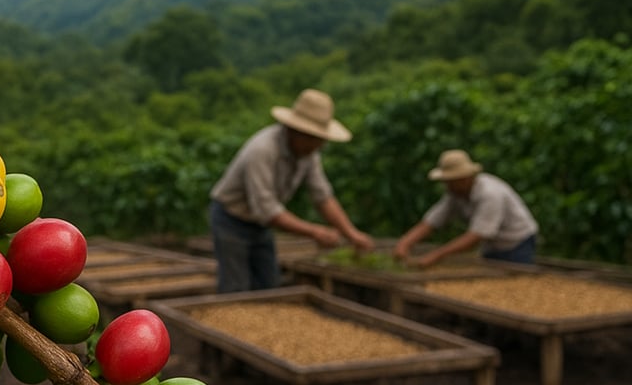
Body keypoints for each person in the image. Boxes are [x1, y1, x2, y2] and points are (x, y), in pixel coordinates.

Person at [208, 89, 374, 292]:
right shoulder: (262, 150)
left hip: (259, 225)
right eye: (316, 138)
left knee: (269, 284)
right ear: (297, 132)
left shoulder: (308, 154)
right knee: (236, 286)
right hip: (231, 220)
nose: (320, 144)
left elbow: (322, 196)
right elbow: (267, 210)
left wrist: (351, 234)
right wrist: (315, 231)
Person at [393, 149, 538, 267]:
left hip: (517, 242)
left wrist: (437, 255)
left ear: (464, 179)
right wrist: (405, 243)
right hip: (491, 245)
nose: (447, 185)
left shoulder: (490, 194)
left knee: (514, 282)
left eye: (450, 181)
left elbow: (476, 236)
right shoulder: (454, 195)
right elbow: (431, 221)